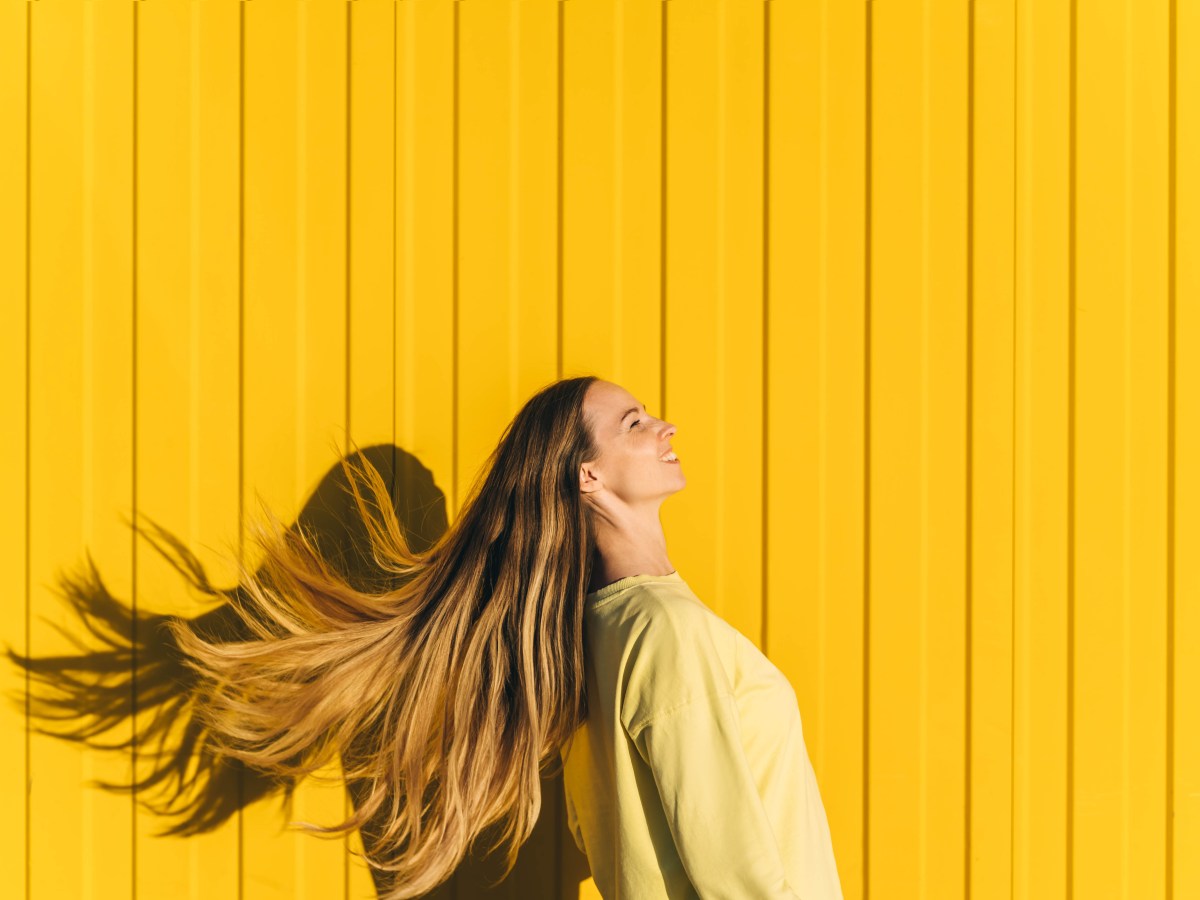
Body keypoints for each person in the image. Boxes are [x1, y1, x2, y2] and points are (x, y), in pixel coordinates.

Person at [159, 374, 841, 898]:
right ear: (588, 475)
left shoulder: (595, 636)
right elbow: (733, 868)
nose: (666, 426)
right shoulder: (662, 630)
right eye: (635, 422)